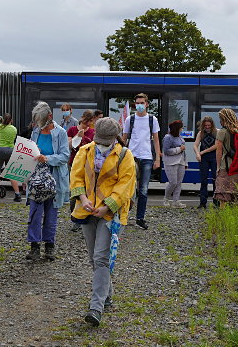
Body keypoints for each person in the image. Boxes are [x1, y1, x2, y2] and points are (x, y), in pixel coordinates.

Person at [70, 117, 136, 327]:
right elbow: (76, 177)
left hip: (111, 214)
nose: (101, 145)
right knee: (94, 258)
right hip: (87, 210)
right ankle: (107, 294)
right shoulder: (85, 151)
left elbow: (125, 185)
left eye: (106, 141)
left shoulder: (125, 156)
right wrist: (83, 199)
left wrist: (107, 205)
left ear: (115, 138)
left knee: (101, 258)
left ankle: (95, 308)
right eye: (99, 140)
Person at [26, 102, 70, 261]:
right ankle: (34, 246)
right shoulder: (36, 131)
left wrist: (48, 159)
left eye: (42, 120)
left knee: (51, 214)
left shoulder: (61, 133)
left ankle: (49, 246)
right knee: (35, 213)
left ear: (50, 116)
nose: (39, 125)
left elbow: (65, 156)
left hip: (54, 180)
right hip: (36, 180)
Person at [121, 93, 161, 230]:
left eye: (142, 102)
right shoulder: (129, 119)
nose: (139, 105)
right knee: (128, 188)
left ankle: (140, 218)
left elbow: (156, 139)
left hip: (147, 157)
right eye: (137, 103)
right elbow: (124, 138)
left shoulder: (152, 119)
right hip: (131, 157)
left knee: (143, 189)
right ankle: (123, 215)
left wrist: (158, 158)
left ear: (147, 104)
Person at [214, 108, 238, 205]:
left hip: (226, 166)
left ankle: (223, 214)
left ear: (223, 119)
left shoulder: (222, 132)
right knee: (237, 190)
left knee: (223, 191)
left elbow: (218, 150)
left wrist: (218, 166)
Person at [67, 111, 95, 232]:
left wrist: (86, 138)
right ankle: (75, 217)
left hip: (88, 165)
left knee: (87, 192)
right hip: (73, 163)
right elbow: (68, 145)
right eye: (85, 122)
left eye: (89, 122)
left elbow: (94, 146)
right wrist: (77, 136)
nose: (87, 124)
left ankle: (86, 216)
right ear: (82, 119)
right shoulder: (72, 129)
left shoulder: (92, 132)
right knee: (74, 193)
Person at [0, 113, 21, 202]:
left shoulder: (1, 127)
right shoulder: (14, 129)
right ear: (11, 120)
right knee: (11, 173)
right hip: (10, 150)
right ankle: (17, 195)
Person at [193, 116, 218, 209]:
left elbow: (216, 146)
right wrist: (197, 153)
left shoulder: (216, 132)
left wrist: (202, 152)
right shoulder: (201, 133)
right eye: (205, 125)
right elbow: (195, 145)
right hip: (204, 159)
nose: (207, 127)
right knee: (203, 180)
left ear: (212, 125)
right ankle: (202, 202)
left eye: (209, 125)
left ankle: (216, 202)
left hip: (214, 157)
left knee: (215, 180)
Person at [162, 120, 187, 208]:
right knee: (173, 182)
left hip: (181, 162)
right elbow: (166, 151)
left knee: (179, 183)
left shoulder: (180, 137)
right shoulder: (168, 137)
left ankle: (176, 201)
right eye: (181, 127)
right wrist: (179, 149)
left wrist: (185, 162)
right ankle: (166, 199)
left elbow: (184, 152)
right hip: (170, 162)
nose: (182, 129)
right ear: (177, 128)